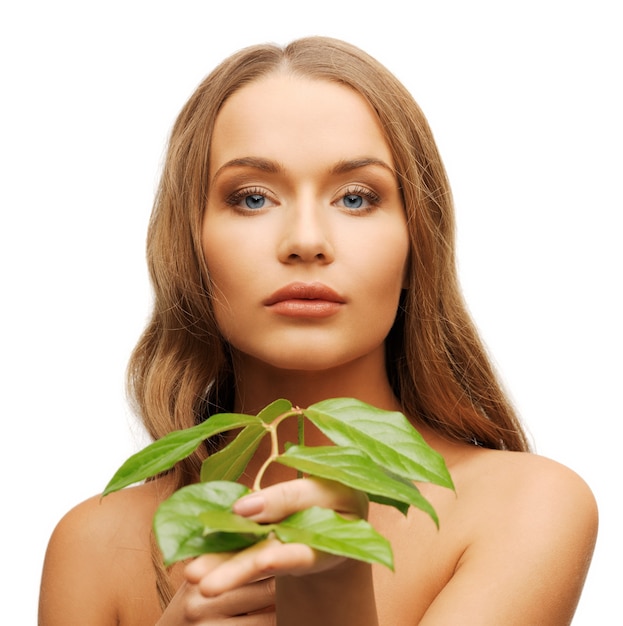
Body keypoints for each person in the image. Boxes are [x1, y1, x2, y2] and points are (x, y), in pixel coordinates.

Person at [38, 36, 598, 625]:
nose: (306, 241)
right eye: (253, 198)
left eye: (356, 198)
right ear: (190, 248)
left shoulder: (528, 506)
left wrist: (336, 604)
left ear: (416, 250)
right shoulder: (92, 547)